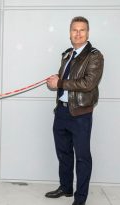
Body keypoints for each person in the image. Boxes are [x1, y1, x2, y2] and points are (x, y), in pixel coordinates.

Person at [46, 16, 104, 205]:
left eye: (82, 30)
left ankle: (80, 198)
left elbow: (88, 83)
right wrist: (58, 78)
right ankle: (66, 187)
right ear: (70, 33)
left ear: (87, 33)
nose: (78, 34)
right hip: (62, 112)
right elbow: (67, 79)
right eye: (74, 30)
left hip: (80, 114)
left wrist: (61, 82)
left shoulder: (94, 56)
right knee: (63, 153)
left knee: (82, 157)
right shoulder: (67, 54)